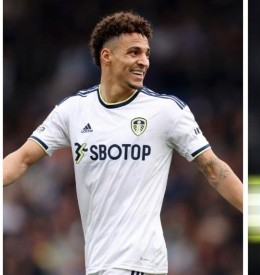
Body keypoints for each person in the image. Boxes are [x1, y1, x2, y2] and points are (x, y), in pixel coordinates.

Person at [4, 11, 243, 275]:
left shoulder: (166, 111)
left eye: (146, 54)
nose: (144, 62)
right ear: (107, 56)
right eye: (134, 53)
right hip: (98, 264)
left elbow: (212, 167)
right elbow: (22, 158)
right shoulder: (73, 110)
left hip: (139, 263)